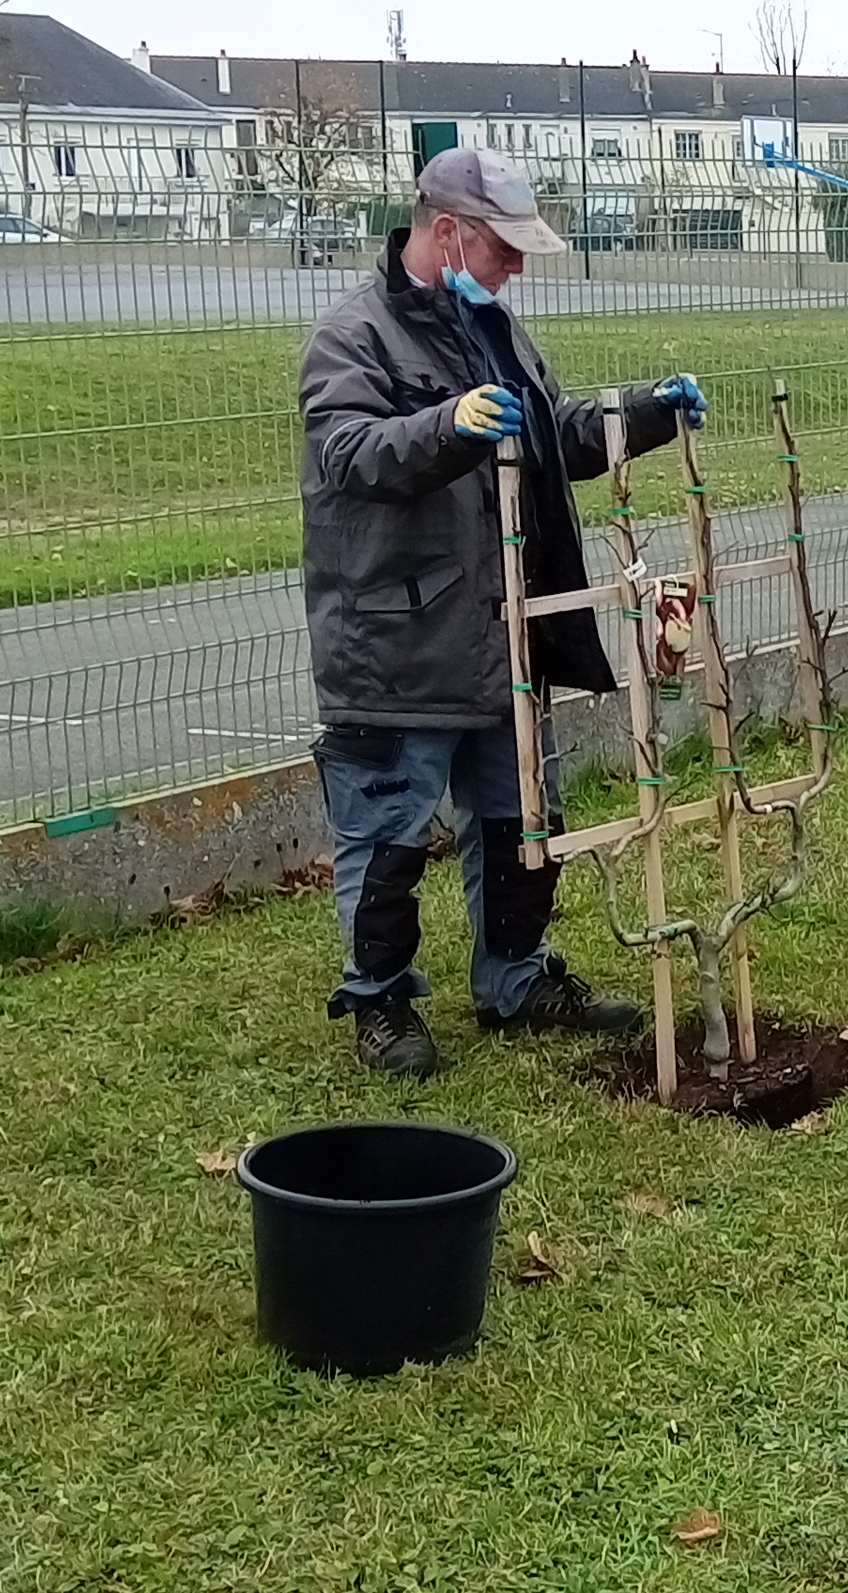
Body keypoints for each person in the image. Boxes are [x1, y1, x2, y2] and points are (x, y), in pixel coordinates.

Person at [298, 145, 705, 1075]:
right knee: (389, 832)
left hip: (507, 626)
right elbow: (349, 455)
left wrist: (642, 415)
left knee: (520, 816)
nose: (518, 266)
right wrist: (446, 426)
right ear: (446, 233)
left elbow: (554, 435)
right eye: (503, 247)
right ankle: (381, 1002)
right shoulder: (352, 338)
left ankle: (514, 977)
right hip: (400, 637)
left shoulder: (500, 333)